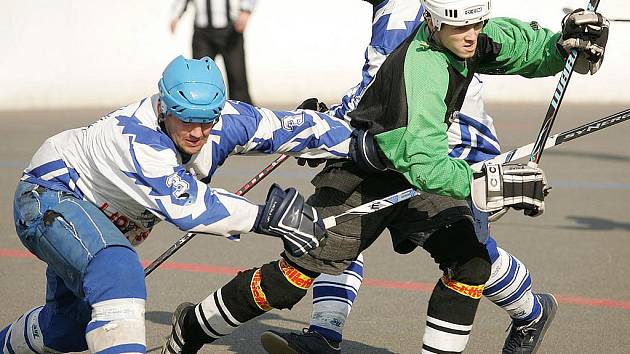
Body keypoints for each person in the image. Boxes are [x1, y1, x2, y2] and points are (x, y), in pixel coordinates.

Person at [161, 1, 608, 353]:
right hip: (376, 167)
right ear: (433, 24)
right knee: (295, 271)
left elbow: (516, 45)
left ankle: (328, 335)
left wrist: (565, 45)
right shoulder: (425, 70)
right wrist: (489, 183)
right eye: (461, 27)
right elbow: (424, 159)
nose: (472, 35)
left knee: (471, 260)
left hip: (429, 159)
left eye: (477, 23)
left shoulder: (462, 30)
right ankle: (192, 328)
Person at [0, 55, 356, 353]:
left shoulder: (221, 119)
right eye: (185, 119)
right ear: (164, 107)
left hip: (101, 220)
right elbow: (191, 208)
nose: (198, 133)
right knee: (118, 269)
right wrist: (267, 218)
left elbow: (287, 127)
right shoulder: (137, 140)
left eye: (207, 120)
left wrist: (364, 145)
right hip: (51, 195)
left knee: (67, 330)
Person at [170, 0, 256, 103]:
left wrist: (245, 11)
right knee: (201, 78)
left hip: (231, 31)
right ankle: (201, 111)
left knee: (237, 77)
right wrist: (175, 15)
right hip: (203, 35)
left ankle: (243, 114)